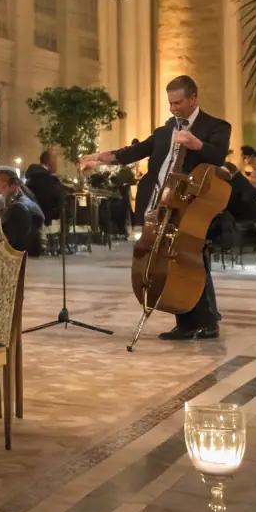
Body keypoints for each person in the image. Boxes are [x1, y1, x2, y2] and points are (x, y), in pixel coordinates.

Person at [79, 75, 231, 340]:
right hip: (164, 205)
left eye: (178, 102)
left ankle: (207, 321)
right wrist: (102, 158)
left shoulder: (216, 126)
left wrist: (195, 144)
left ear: (194, 98)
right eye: (170, 103)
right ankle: (184, 320)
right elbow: (135, 151)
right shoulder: (165, 131)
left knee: (194, 260)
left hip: (193, 206)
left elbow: (217, 156)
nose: (173, 108)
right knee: (173, 261)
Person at [0, 166, 44, 254]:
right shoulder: (19, 201)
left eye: (0, 186)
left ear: (13, 186)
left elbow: (9, 240)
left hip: (20, 251)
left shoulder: (18, 207)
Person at [25, 150, 68, 225]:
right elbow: (58, 197)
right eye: (55, 160)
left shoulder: (33, 177)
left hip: (33, 220)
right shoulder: (46, 179)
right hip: (45, 224)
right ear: (50, 161)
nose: (56, 164)